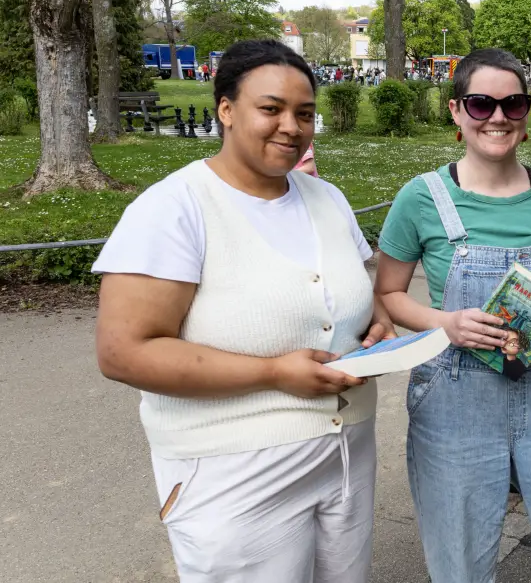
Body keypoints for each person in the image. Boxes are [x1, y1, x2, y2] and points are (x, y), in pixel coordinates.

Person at [92, 39, 394, 583]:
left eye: (305, 114)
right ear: (225, 110)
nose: (291, 126)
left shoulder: (327, 198)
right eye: (271, 108)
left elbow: (352, 299)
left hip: (346, 455)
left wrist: (374, 325)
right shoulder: (175, 208)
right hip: (235, 475)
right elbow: (124, 352)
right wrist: (274, 372)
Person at [375, 47, 531, 583]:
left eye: (514, 104)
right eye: (481, 104)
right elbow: (389, 295)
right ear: (456, 111)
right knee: (461, 565)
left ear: (527, 113)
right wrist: (447, 324)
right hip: (454, 406)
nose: (498, 117)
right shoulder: (422, 198)